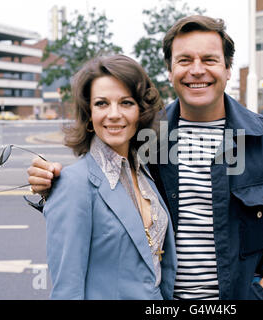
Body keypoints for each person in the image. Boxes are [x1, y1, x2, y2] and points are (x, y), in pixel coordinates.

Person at [28, 15, 263, 300]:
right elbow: (101, 185)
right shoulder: (146, 136)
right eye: (185, 60)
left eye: (209, 60)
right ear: (170, 70)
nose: (197, 70)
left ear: (228, 68)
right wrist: (53, 182)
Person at [41, 54, 177, 299]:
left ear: (141, 111)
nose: (114, 114)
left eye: (126, 103)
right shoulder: (73, 183)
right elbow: (67, 290)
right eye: (102, 103)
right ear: (89, 113)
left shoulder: (144, 172)